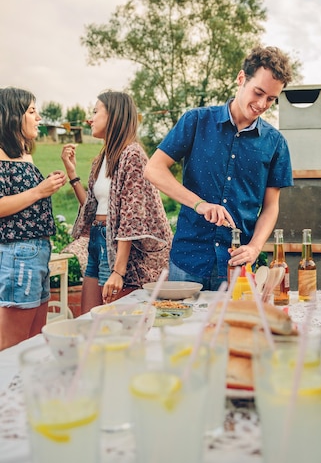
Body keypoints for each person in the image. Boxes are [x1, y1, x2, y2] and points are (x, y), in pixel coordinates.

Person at [144, 45, 293, 291]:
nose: (262, 104)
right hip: (187, 263)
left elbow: (270, 207)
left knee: (233, 330)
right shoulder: (196, 121)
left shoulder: (276, 143)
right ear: (241, 78)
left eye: (270, 99)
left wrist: (255, 247)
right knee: (181, 329)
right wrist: (199, 204)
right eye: (258, 92)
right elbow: (154, 169)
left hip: (237, 267)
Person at [61, 90, 172, 314]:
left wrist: (119, 271)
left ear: (113, 115)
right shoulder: (101, 158)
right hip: (98, 240)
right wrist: (72, 175)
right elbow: (92, 209)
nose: (90, 118)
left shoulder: (133, 155)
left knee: (112, 322)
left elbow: (132, 218)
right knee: (89, 319)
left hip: (120, 250)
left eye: (95, 111)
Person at [0, 87, 67, 350]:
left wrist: (47, 184)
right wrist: (40, 190)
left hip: (37, 250)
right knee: (13, 346)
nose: (38, 118)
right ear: (12, 116)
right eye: (31, 111)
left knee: (36, 339)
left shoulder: (22, 155)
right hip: (19, 252)